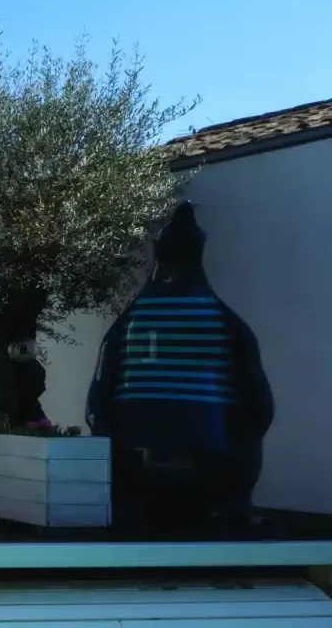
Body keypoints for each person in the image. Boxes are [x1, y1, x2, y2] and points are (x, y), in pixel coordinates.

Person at [87, 203, 273, 533]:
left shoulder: (132, 321)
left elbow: (105, 374)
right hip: (211, 449)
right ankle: (231, 509)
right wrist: (249, 429)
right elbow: (257, 396)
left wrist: (100, 422)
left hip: (137, 445)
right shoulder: (225, 323)